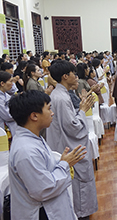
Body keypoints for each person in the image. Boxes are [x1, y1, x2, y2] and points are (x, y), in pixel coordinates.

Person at [8, 90, 87, 220]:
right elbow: (44, 189)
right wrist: (65, 164)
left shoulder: (33, 137)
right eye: (49, 109)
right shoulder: (26, 151)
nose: (52, 113)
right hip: (42, 213)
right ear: (34, 116)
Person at [46, 60, 98, 219]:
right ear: (65, 76)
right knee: (78, 182)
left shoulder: (62, 94)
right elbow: (73, 127)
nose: (76, 77)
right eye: (73, 74)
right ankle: (81, 213)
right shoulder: (61, 97)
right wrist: (82, 110)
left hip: (63, 142)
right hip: (67, 145)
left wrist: (81, 108)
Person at [0, 71, 17, 138]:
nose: (12, 84)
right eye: (10, 81)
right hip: (4, 129)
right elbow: (7, 115)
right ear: (2, 83)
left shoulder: (5, 94)